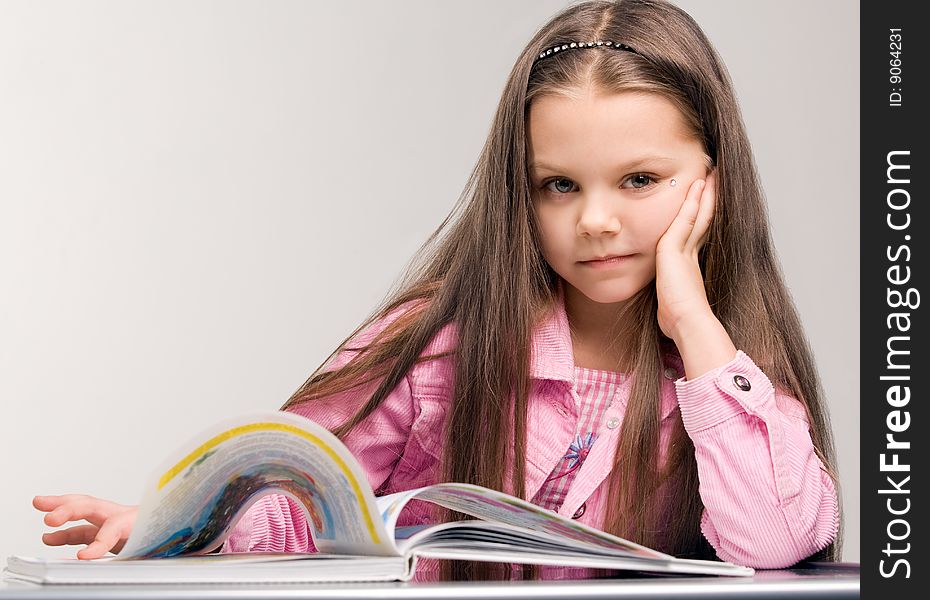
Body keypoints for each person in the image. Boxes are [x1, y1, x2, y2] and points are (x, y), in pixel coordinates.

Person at [33, 0, 842, 577]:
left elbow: (772, 540)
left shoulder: (727, 373)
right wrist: (183, 525)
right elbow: (303, 491)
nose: (595, 220)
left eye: (639, 179)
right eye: (558, 185)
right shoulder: (435, 341)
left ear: (711, 179)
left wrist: (693, 322)